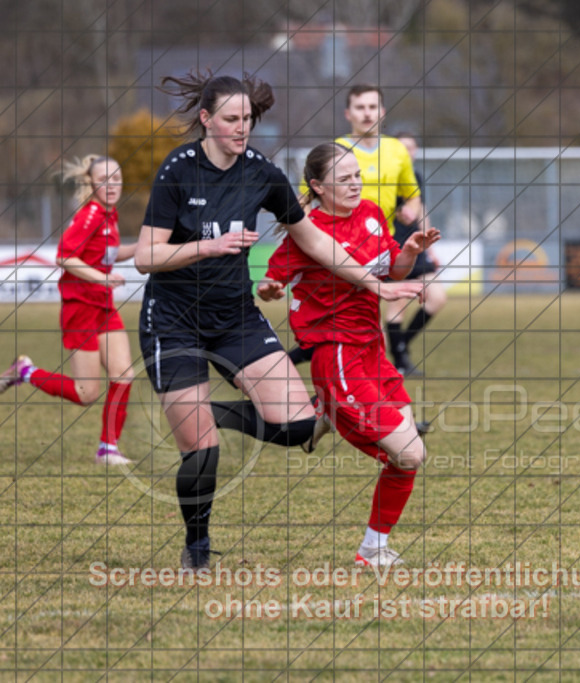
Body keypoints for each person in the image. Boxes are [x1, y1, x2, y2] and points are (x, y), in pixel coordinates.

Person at [133, 71, 422, 571]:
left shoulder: (261, 172)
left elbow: (314, 240)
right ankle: (197, 551)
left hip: (235, 317)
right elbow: (145, 257)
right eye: (230, 119)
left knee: (298, 428)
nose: (241, 128)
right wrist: (209, 245)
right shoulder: (179, 170)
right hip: (174, 320)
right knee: (202, 452)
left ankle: (218, 411)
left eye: (247, 119)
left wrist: (376, 284)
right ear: (206, 120)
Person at [260, 142, 441, 568]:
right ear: (318, 186)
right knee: (410, 454)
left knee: (410, 455)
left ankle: (372, 549)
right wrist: (269, 289)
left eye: (357, 175)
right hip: (336, 353)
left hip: (372, 349)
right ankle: (327, 410)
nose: (356, 184)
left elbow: (390, 270)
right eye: (344, 179)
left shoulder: (373, 214)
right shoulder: (308, 230)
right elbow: (270, 280)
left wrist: (409, 253)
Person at [0, 155, 136, 466]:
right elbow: (64, 257)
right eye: (104, 180)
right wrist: (103, 277)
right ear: (91, 183)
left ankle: (107, 449)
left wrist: (143, 246)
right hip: (81, 310)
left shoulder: (110, 215)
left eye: (116, 178)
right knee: (86, 394)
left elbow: (111, 254)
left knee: (124, 376)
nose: (111, 185)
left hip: (104, 306)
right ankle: (26, 372)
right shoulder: (89, 216)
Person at [288, 84, 425, 375]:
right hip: (337, 248)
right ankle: (376, 400)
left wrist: (412, 208)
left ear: (382, 112)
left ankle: (342, 392)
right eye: (360, 108)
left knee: (363, 324)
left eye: (373, 107)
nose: (367, 113)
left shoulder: (397, 150)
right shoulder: (334, 151)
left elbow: (411, 192)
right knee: (354, 324)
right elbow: (305, 199)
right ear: (348, 113)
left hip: (378, 248)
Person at [384, 132, 447, 377]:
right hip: (394, 246)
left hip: (417, 246)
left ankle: (400, 346)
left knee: (437, 297)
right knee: (397, 304)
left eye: (411, 148)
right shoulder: (386, 177)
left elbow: (422, 212)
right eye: (402, 148)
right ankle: (400, 360)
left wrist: (430, 249)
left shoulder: (416, 177)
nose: (407, 152)